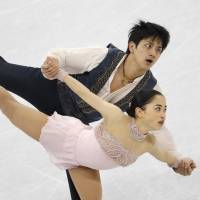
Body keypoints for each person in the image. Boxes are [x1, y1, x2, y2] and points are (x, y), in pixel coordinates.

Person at [0, 20, 193, 199]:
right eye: (148, 46)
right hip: (50, 91)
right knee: (3, 72)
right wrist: (54, 63)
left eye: (159, 49)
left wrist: (176, 160)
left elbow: (157, 127)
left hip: (75, 123)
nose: (153, 53)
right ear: (132, 46)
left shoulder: (149, 89)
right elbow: (63, 56)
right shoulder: (104, 56)